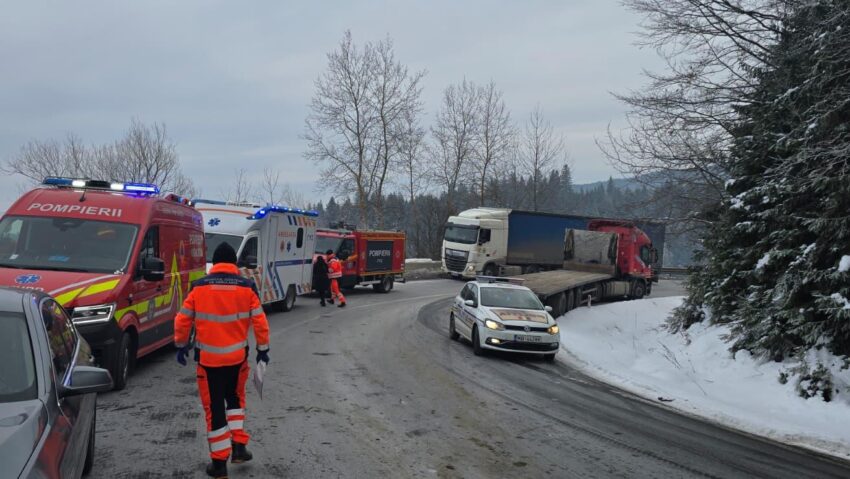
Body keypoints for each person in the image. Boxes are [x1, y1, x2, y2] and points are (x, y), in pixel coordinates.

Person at [174, 242, 270, 479]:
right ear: (234, 263)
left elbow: (182, 320)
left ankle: (219, 465)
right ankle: (238, 447)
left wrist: (181, 344)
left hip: (209, 363)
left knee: (215, 409)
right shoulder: (247, 287)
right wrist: (263, 350)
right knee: (235, 400)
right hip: (237, 360)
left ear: (215, 263)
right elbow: (260, 321)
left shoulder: (199, 287)